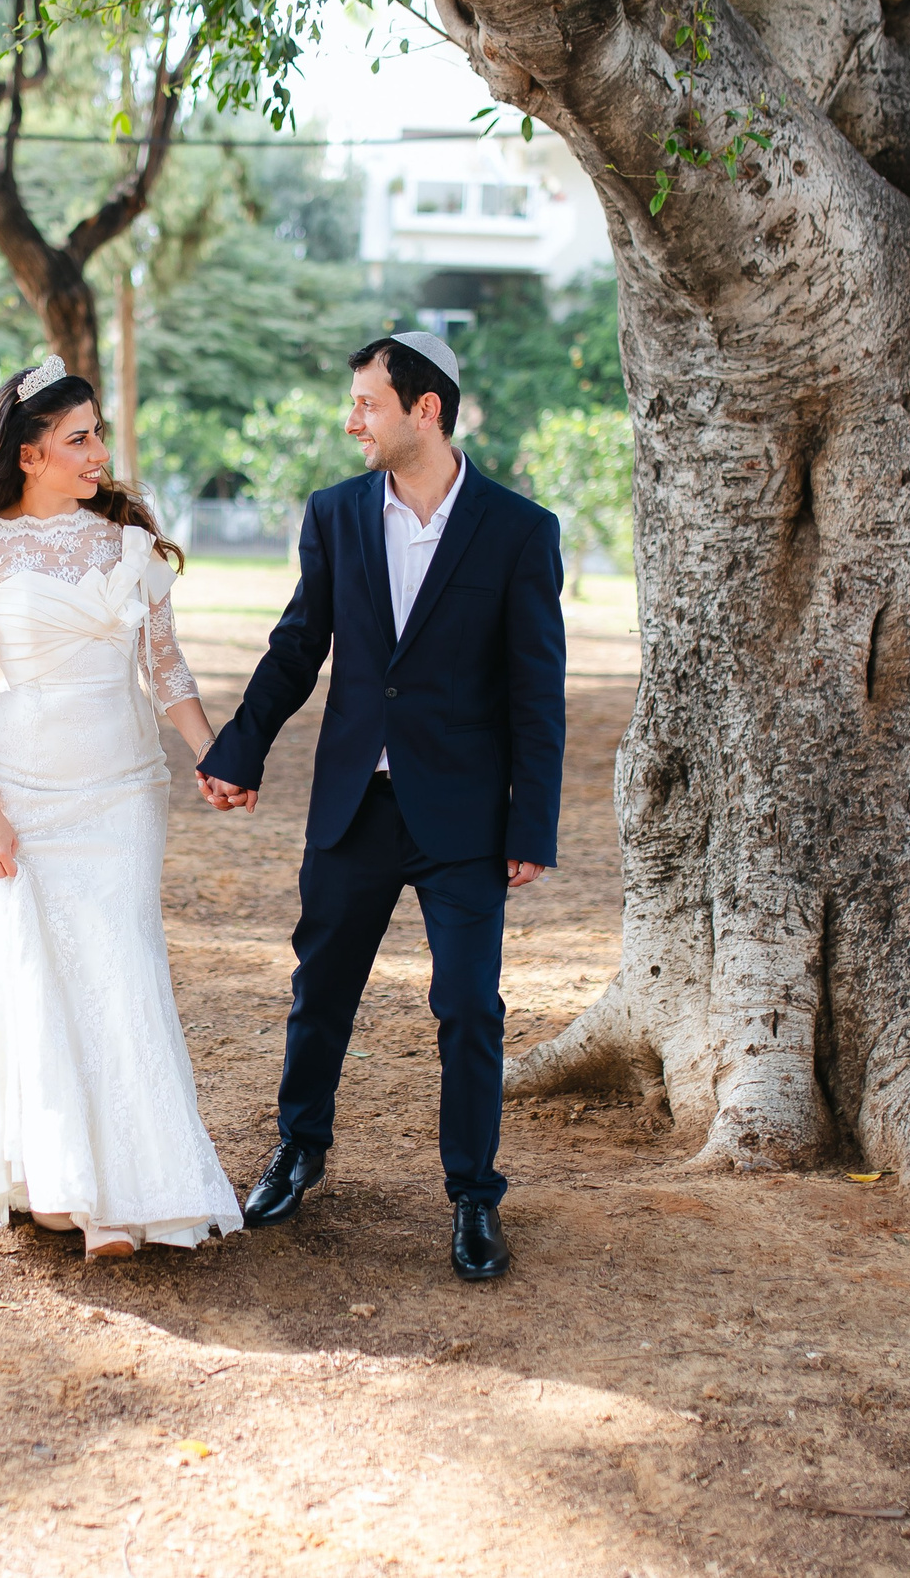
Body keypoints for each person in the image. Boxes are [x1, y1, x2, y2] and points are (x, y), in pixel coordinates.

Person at [196, 332, 566, 1282]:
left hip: (466, 819)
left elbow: (538, 690)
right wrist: (239, 747)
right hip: (354, 805)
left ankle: (475, 1198)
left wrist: (531, 824)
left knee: (469, 1010)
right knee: (320, 992)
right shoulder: (335, 515)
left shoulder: (520, 530)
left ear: (424, 410)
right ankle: (298, 1148)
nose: (351, 419)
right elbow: (295, 648)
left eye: (367, 402)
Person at [0, 356, 245, 1260]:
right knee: (36, 977)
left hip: (121, 791)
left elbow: (167, 669)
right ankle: (62, 1183)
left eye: (98, 433)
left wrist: (211, 753)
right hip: (26, 793)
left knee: (119, 968)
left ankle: (131, 1190)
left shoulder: (129, 542)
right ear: (29, 454)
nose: (99, 452)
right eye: (78, 439)